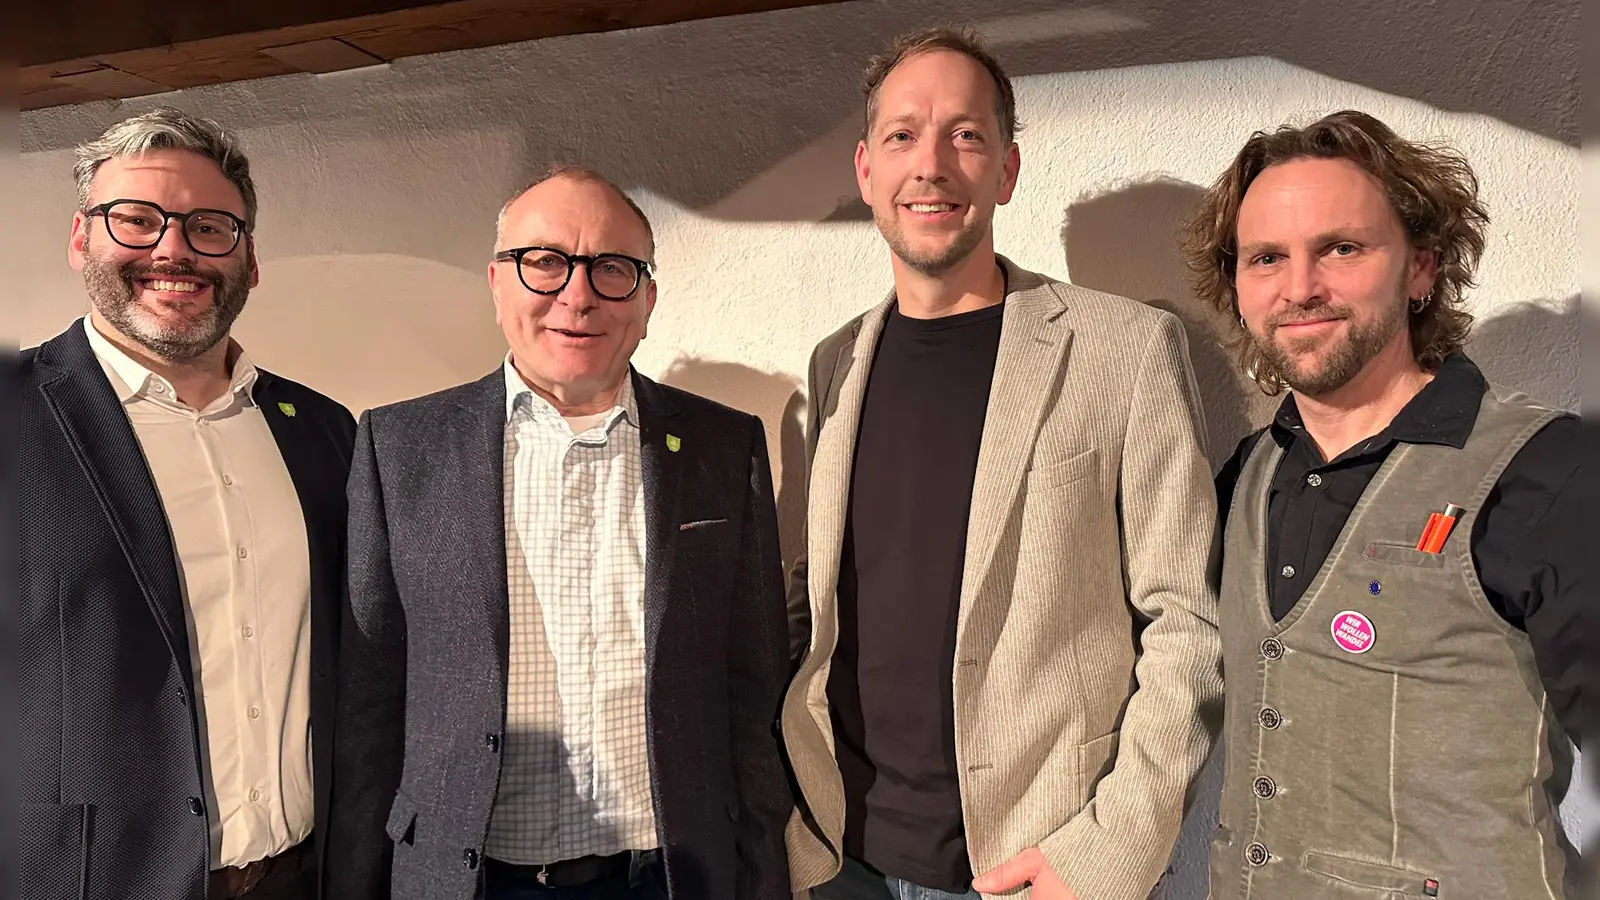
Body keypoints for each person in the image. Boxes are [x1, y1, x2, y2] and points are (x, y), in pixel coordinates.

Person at [781, 27, 1224, 900]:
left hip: (1032, 865)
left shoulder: (1126, 348)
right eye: (904, 135)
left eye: (967, 135)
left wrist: (1103, 857)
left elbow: (1189, 625)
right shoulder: (836, 362)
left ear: (1007, 171)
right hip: (842, 856)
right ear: (867, 169)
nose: (933, 164)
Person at [327, 165, 793, 900]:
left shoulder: (723, 448)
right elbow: (369, 704)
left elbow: (753, 691)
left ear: (646, 299)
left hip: (669, 876)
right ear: (496, 281)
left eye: (611, 268)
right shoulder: (399, 447)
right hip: (465, 878)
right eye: (544, 262)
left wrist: (766, 880)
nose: (577, 296)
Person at [1184, 109, 1584, 899]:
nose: (1301, 288)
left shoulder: (1546, 472)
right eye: (1267, 258)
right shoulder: (1245, 476)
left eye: (1341, 248)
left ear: (1422, 268)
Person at [18, 107, 355, 900]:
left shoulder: (323, 431)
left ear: (248, 259)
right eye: (136, 220)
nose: (173, 248)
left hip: (300, 879)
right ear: (80, 239)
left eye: (209, 226)